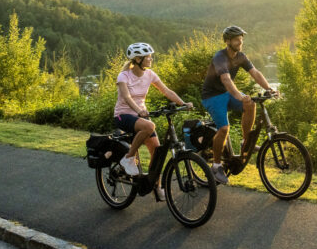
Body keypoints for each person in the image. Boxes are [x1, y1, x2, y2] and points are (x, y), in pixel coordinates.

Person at [201, 25, 277, 184]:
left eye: (241, 39)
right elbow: (226, 79)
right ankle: (216, 166)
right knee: (223, 128)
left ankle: (245, 141)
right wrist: (239, 96)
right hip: (212, 96)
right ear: (227, 41)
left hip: (227, 93)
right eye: (236, 39)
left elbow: (255, 72)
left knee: (251, 105)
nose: (240, 41)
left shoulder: (240, 56)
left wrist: (269, 88)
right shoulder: (219, 57)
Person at [114, 42, 190, 200]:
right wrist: (139, 111)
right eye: (147, 57)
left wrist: (182, 103)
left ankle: (156, 185)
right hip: (123, 115)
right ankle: (128, 158)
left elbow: (166, 90)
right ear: (137, 59)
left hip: (141, 116)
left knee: (157, 153)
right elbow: (127, 97)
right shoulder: (124, 76)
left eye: (150, 56)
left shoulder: (150, 74)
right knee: (149, 125)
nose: (150, 59)